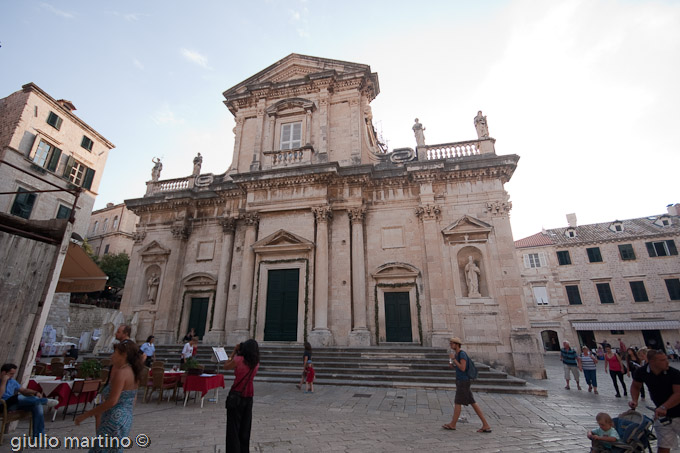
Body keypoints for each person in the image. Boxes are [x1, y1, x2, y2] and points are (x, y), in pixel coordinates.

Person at [75, 341, 144, 453]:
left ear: (124, 355)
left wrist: (86, 415)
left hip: (114, 418)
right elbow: (133, 399)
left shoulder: (122, 373)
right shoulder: (133, 372)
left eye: (115, 353)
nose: (112, 355)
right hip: (124, 418)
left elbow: (112, 401)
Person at [629, 349, 680, 453]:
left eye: (666, 359)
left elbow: (678, 394)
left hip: (677, 412)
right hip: (662, 416)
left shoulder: (674, 373)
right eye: (662, 360)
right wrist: (635, 400)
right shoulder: (642, 372)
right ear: (652, 362)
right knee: (663, 446)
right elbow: (635, 386)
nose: (667, 362)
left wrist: (664, 407)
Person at [442, 337, 492, 433]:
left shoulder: (462, 354)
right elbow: (459, 367)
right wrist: (453, 364)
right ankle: (486, 424)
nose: (450, 345)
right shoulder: (457, 354)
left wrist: (454, 360)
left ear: (457, 344)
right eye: (450, 343)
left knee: (458, 402)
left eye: (452, 343)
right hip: (461, 381)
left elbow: (463, 368)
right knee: (472, 402)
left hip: (463, 381)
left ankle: (453, 424)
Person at [1, 363, 58, 439]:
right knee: (18, 397)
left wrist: (35, 392)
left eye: (13, 374)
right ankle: (44, 401)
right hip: (3, 404)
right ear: (4, 373)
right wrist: (4, 381)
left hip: (14, 403)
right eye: (11, 374)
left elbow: (24, 390)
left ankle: (39, 436)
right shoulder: (3, 381)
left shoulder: (12, 381)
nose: (12, 376)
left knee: (37, 406)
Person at [224, 340, 260, 453]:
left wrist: (234, 351)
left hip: (236, 396)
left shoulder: (239, 360)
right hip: (249, 397)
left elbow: (225, 366)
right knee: (245, 428)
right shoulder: (256, 363)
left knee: (233, 429)